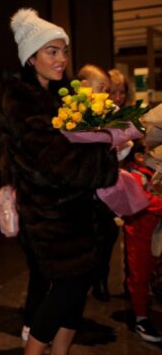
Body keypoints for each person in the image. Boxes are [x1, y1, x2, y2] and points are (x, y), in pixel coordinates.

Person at [0, 8, 119, 355]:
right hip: (48, 215)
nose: (61, 59)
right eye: (51, 51)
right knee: (64, 289)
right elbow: (55, 162)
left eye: (63, 51)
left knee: (78, 288)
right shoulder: (22, 98)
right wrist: (105, 159)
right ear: (31, 56)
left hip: (78, 212)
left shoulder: (60, 96)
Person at [76, 64, 118, 302]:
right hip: (82, 192)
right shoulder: (73, 112)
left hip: (102, 190)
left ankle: (100, 278)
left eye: (108, 89)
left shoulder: (108, 111)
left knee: (107, 233)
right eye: (101, 87)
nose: (106, 93)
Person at [122, 142, 162, 342]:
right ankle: (141, 317)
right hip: (141, 231)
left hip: (152, 231)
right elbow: (145, 202)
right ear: (138, 156)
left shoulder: (151, 171)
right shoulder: (133, 176)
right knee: (140, 274)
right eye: (149, 152)